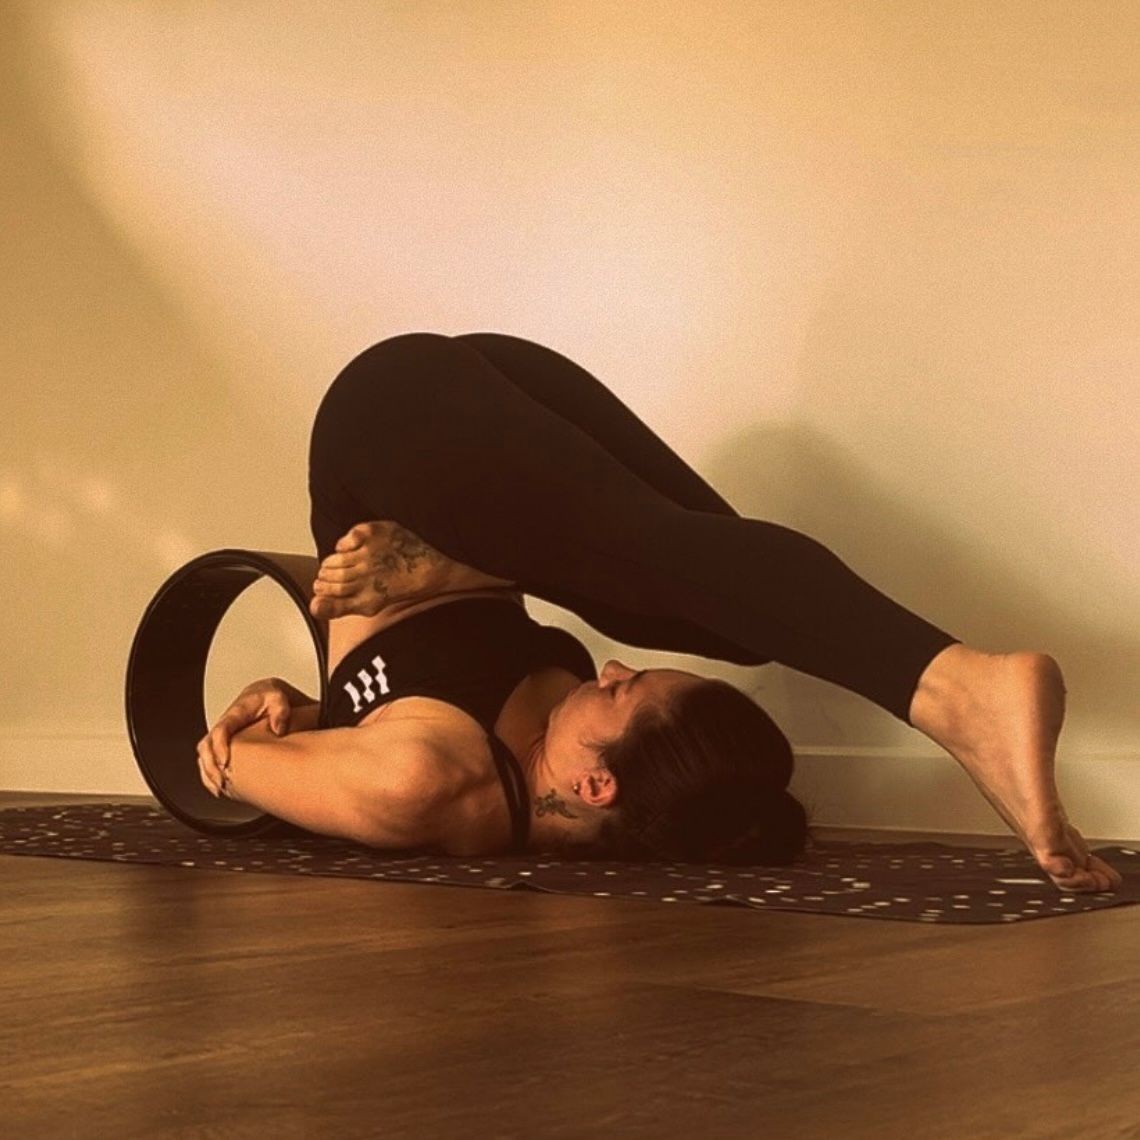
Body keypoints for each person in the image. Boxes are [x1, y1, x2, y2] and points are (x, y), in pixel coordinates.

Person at [196, 332, 1121, 893]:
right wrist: (325, 713)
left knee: (649, 549)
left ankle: (957, 687)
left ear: (597, 785)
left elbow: (222, 762)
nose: (608, 667)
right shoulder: (549, 750)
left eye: (623, 690)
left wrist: (279, 711)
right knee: (717, 614)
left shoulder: (419, 784)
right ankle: (457, 557)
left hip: (385, 427)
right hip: (484, 415)